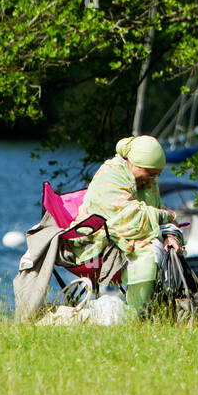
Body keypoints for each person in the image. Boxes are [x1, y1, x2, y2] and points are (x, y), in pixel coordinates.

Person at [69, 135, 185, 318]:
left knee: (162, 250)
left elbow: (153, 211)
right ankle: (136, 314)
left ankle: (145, 310)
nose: (153, 179)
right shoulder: (110, 176)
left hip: (122, 236)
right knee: (147, 253)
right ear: (134, 164)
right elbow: (130, 218)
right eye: (150, 173)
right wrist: (167, 216)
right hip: (93, 242)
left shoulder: (146, 181)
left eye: (157, 174)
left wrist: (170, 234)